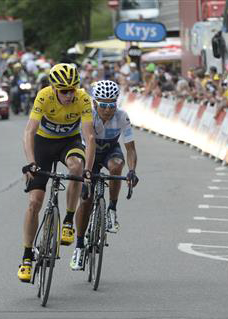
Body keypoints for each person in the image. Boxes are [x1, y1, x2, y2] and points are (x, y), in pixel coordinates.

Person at [18, 63, 96, 282]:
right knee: (34, 203)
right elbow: (29, 131)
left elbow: (89, 138)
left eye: (73, 89)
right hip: (43, 144)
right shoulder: (43, 96)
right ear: (53, 88)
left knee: (76, 168)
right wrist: (31, 162)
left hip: (68, 143)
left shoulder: (82, 98)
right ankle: (26, 256)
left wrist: (88, 171)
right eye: (64, 91)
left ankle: (69, 220)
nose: (69, 95)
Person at [71, 80, 139, 270]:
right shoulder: (87, 116)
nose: (108, 109)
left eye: (112, 104)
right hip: (90, 154)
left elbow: (131, 150)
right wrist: (84, 174)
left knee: (117, 167)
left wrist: (132, 171)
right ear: (94, 103)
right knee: (86, 201)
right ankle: (79, 246)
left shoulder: (122, 116)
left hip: (110, 150)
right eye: (104, 105)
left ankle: (112, 209)